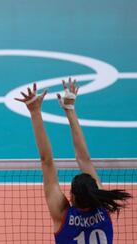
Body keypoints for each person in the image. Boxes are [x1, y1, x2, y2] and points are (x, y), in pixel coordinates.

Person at [15, 79, 131, 243]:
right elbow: (83, 159)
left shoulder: (62, 214)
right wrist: (69, 109)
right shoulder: (102, 209)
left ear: (72, 197)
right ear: (95, 191)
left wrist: (35, 112)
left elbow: (47, 160)